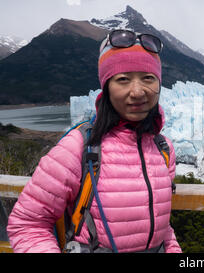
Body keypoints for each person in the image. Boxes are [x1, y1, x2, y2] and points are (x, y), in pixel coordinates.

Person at [7, 29, 182, 253]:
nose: (137, 92)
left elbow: (163, 226)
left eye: (148, 78)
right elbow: (28, 224)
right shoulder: (78, 147)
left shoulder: (163, 149)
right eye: (123, 79)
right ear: (106, 87)